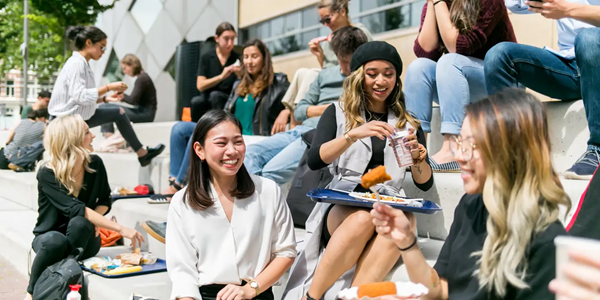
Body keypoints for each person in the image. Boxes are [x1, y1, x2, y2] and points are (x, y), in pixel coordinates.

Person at [371, 89, 569, 300]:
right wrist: (407, 243)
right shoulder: (471, 204)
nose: (459, 156)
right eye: (459, 143)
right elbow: (441, 289)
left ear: (510, 152)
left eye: (471, 145)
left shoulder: (546, 242)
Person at [283, 41, 434, 300]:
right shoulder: (338, 112)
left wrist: (419, 158)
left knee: (404, 222)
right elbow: (315, 160)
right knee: (363, 218)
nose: (381, 81)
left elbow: (424, 184)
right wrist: (352, 135)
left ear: (397, 77)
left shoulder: (407, 122)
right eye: (372, 73)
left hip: (386, 199)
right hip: (343, 203)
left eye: (388, 73)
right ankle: (313, 297)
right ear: (358, 76)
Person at [166, 110, 297, 300]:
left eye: (238, 141)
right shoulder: (182, 202)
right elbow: (182, 272)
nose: (232, 151)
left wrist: (251, 288)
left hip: (257, 293)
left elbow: (286, 251)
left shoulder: (268, 191)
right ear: (199, 150)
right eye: (221, 143)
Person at [24, 115, 144, 300]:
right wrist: (121, 229)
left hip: (84, 237)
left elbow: (105, 200)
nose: (93, 136)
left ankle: (62, 275)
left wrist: (95, 220)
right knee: (56, 240)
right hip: (49, 239)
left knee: (81, 223)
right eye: (87, 132)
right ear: (72, 139)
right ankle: (31, 293)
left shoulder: (95, 163)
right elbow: (75, 208)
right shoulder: (47, 172)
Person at [484, 0, 600, 180]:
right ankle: (512, 158)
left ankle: (597, 150)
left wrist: (568, 9)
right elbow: (515, 4)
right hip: (570, 67)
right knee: (498, 55)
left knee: (588, 39)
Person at [244, 26, 368, 186]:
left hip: (319, 136)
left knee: (269, 172)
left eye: (350, 62)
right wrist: (331, 108)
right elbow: (300, 111)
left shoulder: (365, 80)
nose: (345, 68)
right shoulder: (325, 75)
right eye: (341, 60)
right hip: (299, 131)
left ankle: (253, 203)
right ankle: (249, 204)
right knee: (250, 153)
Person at [403, 0, 516, 172]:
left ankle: (453, 149)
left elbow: (459, 46)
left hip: (501, 83)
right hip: (463, 83)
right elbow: (425, 51)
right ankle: (415, 150)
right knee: (418, 68)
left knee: (450, 60)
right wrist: (434, 4)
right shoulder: (437, 3)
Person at [47, 25, 164, 166]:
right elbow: (80, 96)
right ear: (88, 43)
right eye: (102, 47)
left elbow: (78, 98)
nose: (103, 52)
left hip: (78, 116)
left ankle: (142, 153)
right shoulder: (76, 64)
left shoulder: (83, 64)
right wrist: (108, 87)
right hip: (65, 122)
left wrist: (105, 98)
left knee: (118, 112)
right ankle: (135, 151)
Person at [281, 0, 372, 127]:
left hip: (353, 76)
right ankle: (294, 120)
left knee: (309, 73)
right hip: (336, 75)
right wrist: (320, 55)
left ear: (342, 11)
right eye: (322, 21)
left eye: (328, 19)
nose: (326, 24)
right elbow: (327, 70)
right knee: (302, 72)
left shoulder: (359, 33)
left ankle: (294, 120)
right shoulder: (328, 41)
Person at [225, 38, 290, 136]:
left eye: (254, 56)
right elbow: (225, 113)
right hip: (235, 140)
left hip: (260, 140)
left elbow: (299, 102)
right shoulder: (237, 84)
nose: (249, 62)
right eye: (246, 57)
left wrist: (287, 111)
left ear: (264, 58)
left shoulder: (278, 82)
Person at [191, 22, 241, 122]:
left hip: (227, 99)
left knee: (216, 96)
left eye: (232, 38)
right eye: (226, 39)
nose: (230, 43)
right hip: (207, 98)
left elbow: (243, 84)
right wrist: (221, 77)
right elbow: (200, 85)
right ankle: (196, 130)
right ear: (217, 38)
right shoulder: (207, 57)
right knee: (196, 102)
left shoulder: (237, 58)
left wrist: (239, 74)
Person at [101, 53, 157, 137]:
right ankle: (109, 139)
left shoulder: (142, 79)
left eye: (125, 68)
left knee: (105, 108)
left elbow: (132, 100)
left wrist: (120, 94)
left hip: (145, 114)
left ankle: (109, 139)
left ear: (132, 65)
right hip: (144, 112)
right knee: (105, 108)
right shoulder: (143, 77)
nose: (124, 71)